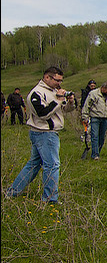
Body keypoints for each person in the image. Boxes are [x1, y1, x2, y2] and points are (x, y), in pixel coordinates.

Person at [4, 67, 76, 204]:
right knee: (52, 165)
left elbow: (64, 110)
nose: (59, 83)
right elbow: (42, 114)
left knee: (33, 165)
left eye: (61, 80)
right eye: (57, 80)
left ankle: (12, 192)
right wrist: (58, 100)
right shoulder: (36, 93)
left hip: (48, 133)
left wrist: (70, 101)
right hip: (44, 133)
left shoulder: (54, 91)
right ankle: (50, 199)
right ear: (47, 77)